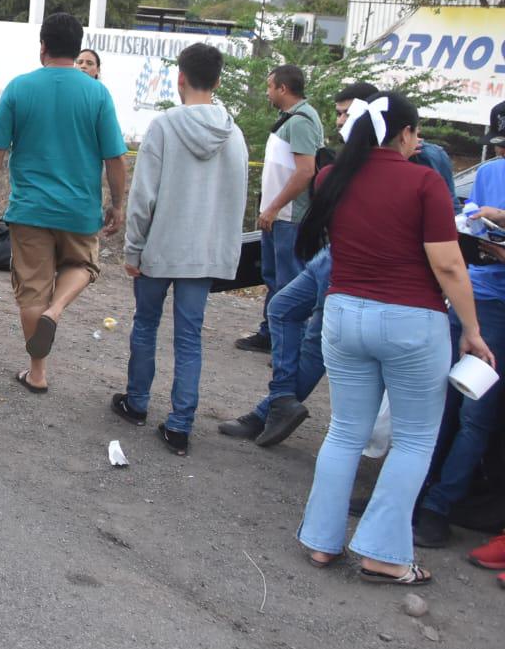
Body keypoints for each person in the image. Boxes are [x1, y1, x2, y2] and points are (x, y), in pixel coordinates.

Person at [295, 91, 494, 586]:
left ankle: (321, 541)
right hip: (411, 321)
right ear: (403, 133)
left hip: (344, 315)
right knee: (413, 439)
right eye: (417, 133)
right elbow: (448, 264)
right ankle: (382, 554)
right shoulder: (424, 182)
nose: (418, 142)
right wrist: (471, 330)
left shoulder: (331, 177)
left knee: (344, 430)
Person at [221, 83, 460, 449]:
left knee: (317, 341)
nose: (340, 120)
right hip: (335, 254)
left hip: (369, 269)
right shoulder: (354, 158)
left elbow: (446, 226)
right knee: (282, 307)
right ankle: (281, 400)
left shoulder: (425, 158)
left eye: (349, 113)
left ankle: (268, 412)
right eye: (339, 113)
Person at [0, 12, 127, 393]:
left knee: (32, 290)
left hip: (30, 209)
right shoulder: (97, 93)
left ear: (42, 46)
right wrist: (118, 204)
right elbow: (115, 158)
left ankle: (38, 372)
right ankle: (57, 310)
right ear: (77, 49)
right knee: (83, 264)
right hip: (79, 210)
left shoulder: (19, 88)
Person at [112, 43, 247, 456]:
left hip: (160, 248)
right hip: (203, 254)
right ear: (219, 81)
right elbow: (235, 198)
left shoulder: (164, 126)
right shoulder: (234, 134)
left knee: (146, 324)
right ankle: (180, 425)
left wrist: (133, 251)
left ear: (180, 78)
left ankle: (136, 403)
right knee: (190, 338)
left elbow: (143, 197)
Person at [412, 116, 505, 547]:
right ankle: (411, 490)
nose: (501, 153)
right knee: (437, 398)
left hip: (499, 309)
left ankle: (439, 506)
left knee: (476, 412)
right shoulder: (488, 172)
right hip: (473, 293)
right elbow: (465, 220)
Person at [235, 64, 321, 354]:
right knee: (274, 278)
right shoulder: (289, 119)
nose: (267, 92)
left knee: (290, 281)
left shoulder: (302, 121)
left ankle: (290, 345)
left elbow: (305, 171)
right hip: (278, 216)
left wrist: (273, 207)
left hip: (289, 218)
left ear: (283, 88)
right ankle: (271, 335)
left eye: (270, 86)